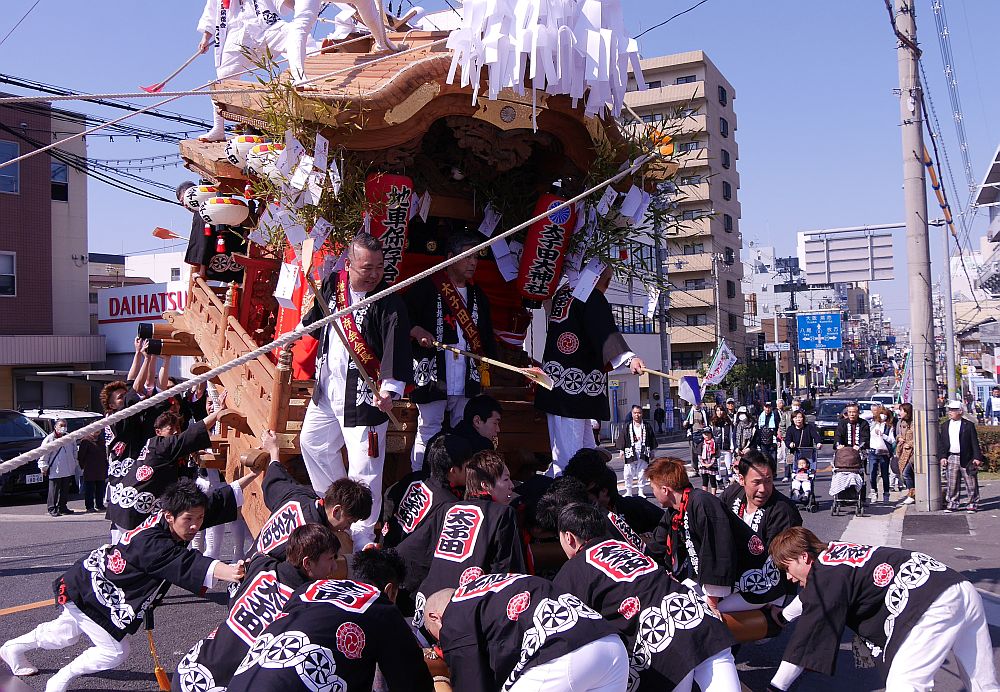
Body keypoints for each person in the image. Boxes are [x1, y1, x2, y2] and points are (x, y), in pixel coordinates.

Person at [0, 476, 255, 692]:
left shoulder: (173, 518)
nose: (196, 525)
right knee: (114, 652)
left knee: (63, 634)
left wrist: (254, 473)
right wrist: (235, 572)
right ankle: (60, 679)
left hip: (93, 583)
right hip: (90, 589)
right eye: (190, 519)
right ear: (169, 516)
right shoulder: (153, 543)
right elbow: (189, 563)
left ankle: (12, 649)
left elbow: (215, 502)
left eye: (200, 518)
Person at [767, 527, 1000, 692]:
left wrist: (777, 687)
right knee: (982, 684)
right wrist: (784, 617)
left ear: (804, 557)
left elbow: (808, 638)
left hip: (932, 603)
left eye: (787, 568)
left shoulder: (826, 575)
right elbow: (813, 598)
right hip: (959, 587)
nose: (789, 577)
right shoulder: (835, 556)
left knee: (905, 685)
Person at [298, 233, 413, 548]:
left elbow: (396, 347)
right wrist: (296, 332)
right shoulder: (333, 285)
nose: (374, 274)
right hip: (327, 389)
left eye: (379, 267)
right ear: (348, 265)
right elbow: (313, 321)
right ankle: (336, 508)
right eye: (366, 267)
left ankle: (363, 534)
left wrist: (390, 389)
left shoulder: (388, 301)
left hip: (365, 396)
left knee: (365, 468)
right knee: (313, 443)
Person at [553, 503, 739, 692]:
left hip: (662, 643)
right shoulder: (625, 547)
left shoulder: (573, 569)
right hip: (700, 620)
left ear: (568, 537)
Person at [172, 523, 341, 692]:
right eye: (331, 559)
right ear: (307, 563)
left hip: (188, 669)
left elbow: (267, 551)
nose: (335, 567)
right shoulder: (305, 602)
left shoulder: (260, 564)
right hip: (218, 685)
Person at [226, 556, 434, 692]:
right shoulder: (380, 605)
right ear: (390, 590)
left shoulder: (308, 590)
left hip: (241, 684)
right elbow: (412, 683)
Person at [423, 574, 628, 692]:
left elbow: (471, 682)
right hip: (612, 647)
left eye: (438, 638)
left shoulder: (455, 612)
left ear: (435, 617)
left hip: (563, 654)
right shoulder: (499, 584)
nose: (444, 643)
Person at [534, 265, 646, 476]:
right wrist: (629, 358)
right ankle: (569, 492)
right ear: (604, 281)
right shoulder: (590, 296)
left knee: (582, 452)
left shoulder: (564, 293)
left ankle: (583, 489)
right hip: (573, 391)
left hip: (563, 385)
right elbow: (604, 332)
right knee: (570, 458)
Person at [396, 450, 525, 629]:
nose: (511, 486)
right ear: (485, 484)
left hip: (429, 611)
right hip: (467, 615)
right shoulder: (503, 514)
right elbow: (507, 571)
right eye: (506, 479)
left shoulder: (448, 509)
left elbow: (408, 552)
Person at [406, 232, 497, 472]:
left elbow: (486, 335)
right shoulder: (427, 287)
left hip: (466, 373)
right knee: (429, 428)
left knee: (463, 428)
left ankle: (458, 480)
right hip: (434, 372)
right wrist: (416, 330)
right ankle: (421, 478)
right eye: (467, 257)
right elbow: (403, 317)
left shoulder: (478, 295)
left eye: (476, 257)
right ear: (450, 258)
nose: (473, 263)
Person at [106, 392, 237, 533]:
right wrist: (217, 413)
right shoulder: (160, 446)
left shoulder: (162, 448)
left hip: (128, 511)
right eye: (170, 429)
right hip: (131, 511)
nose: (175, 432)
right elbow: (190, 435)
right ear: (158, 432)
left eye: (178, 429)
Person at [196, 0, 321, 141]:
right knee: (223, 77)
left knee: (295, 34)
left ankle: (306, 69)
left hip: (267, 24)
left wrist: (306, 8)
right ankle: (218, 129)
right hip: (237, 32)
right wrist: (206, 37)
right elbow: (211, 11)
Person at [253, 429, 373, 560]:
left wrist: (273, 450)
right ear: (336, 510)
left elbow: (276, 478)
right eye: (349, 522)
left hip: (250, 560)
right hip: (263, 571)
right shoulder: (316, 539)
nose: (347, 528)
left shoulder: (299, 496)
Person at [647, 457, 737, 612]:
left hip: (742, 584)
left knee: (690, 613)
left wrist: (712, 603)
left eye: (653, 488)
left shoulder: (702, 503)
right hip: (706, 582)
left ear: (665, 490)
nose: (653, 493)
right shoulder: (675, 510)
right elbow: (657, 545)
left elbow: (719, 551)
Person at [718, 451, 801, 612]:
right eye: (756, 482)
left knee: (713, 611)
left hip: (765, 584)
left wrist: (786, 599)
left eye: (768, 481)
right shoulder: (732, 494)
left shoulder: (783, 510)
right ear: (741, 479)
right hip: (730, 574)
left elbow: (786, 557)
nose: (763, 489)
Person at [380, 434, 471, 548]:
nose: (471, 471)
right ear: (453, 471)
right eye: (468, 466)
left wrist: (386, 525)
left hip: (387, 545)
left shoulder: (416, 477)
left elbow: (388, 496)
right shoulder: (449, 504)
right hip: (407, 556)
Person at [939, 400, 983, 513]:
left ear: (960, 411)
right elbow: (942, 443)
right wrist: (943, 457)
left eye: (953, 410)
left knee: (971, 482)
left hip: (967, 457)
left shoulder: (968, 425)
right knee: (952, 482)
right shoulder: (945, 425)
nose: (950, 412)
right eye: (949, 410)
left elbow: (974, 442)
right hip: (951, 456)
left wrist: (977, 457)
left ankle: (972, 503)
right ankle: (952, 503)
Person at [39, 420, 78, 517]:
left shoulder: (70, 437)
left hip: (68, 468)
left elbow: (74, 451)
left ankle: (63, 507)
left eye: (65, 425)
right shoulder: (50, 439)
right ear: (55, 427)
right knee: (54, 490)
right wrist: (43, 466)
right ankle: (52, 508)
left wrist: (74, 462)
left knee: (65, 489)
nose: (63, 427)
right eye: (61, 425)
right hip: (55, 468)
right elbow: (44, 453)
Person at [616, 404, 657, 497]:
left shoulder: (646, 426)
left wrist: (652, 451)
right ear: (632, 414)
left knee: (642, 472)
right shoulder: (627, 426)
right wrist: (621, 450)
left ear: (642, 414)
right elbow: (623, 438)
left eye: (639, 413)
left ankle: (641, 491)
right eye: (635, 413)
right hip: (630, 451)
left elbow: (651, 438)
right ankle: (629, 491)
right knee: (628, 473)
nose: (637, 415)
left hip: (643, 451)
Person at [783, 408, 821, 482]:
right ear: (792, 419)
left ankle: (809, 483)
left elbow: (816, 436)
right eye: (796, 418)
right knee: (796, 471)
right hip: (795, 453)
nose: (798, 419)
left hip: (808, 453)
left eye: (800, 417)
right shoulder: (790, 429)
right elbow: (787, 440)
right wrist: (790, 444)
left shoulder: (809, 427)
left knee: (809, 471)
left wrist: (818, 443)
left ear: (803, 418)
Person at [868, 405, 895, 505]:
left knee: (885, 474)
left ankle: (886, 495)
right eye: (881, 414)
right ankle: (874, 492)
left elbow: (892, 440)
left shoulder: (889, 427)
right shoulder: (873, 424)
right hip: (873, 451)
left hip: (884, 452)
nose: (883, 416)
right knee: (872, 473)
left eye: (885, 414)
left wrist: (883, 435)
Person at [77, 429, 108, 513]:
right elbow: (81, 456)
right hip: (89, 468)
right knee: (89, 489)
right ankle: (89, 506)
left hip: (100, 468)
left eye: (99, 429)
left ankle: (99, 505)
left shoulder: (101, 440)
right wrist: (82, 467)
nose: (97, 431)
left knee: (100, 488)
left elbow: (104, 453)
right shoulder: (85, 440)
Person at [895, 402, 916, 505]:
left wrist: (910, 444)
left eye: (901, 410)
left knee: (906, 473)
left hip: (913, 452)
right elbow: (897, 434)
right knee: (903, 474)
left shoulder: (914, 422)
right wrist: (899, 438)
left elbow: (919, 437)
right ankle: (913, 491)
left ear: (907, 412)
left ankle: (912, 495)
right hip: (903, 451)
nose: (900, 412)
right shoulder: (900, 422)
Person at [711, 404, 735, 490]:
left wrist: (732, 446)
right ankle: (719, 481)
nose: (719, 412)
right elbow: (711, 435)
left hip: (726, 447)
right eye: (717, 410)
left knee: (729, 465)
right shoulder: (713, 422)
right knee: (717, 466)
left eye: (721, 410)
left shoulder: (728, 422)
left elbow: (731, 435)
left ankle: (729, 480)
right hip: (717, 448)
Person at [684, 403, 710, 467]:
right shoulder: (689, 412)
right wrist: (685, 424)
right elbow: (686, 425)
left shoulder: (704, 412)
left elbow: (707, 423)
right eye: (695, 404)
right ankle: (695, 467)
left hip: (702, 434)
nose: (697, 405)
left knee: (703, 452)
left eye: (698, 403)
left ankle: (703, 466)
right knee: (693, 453)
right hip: (692, 434)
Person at [698, 428, 719, 495]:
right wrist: (703, 463)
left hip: (712, 465)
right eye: (705, 434)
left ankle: (713, 496)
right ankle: (705, 495)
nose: (706, 435)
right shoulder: (701, 444)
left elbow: (715, 455)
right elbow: (699, 455)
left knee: (713, 481)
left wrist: (710, 464)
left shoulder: (714, 444)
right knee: (705, 481)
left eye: (708, 433)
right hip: (703, 465)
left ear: (711, 434)